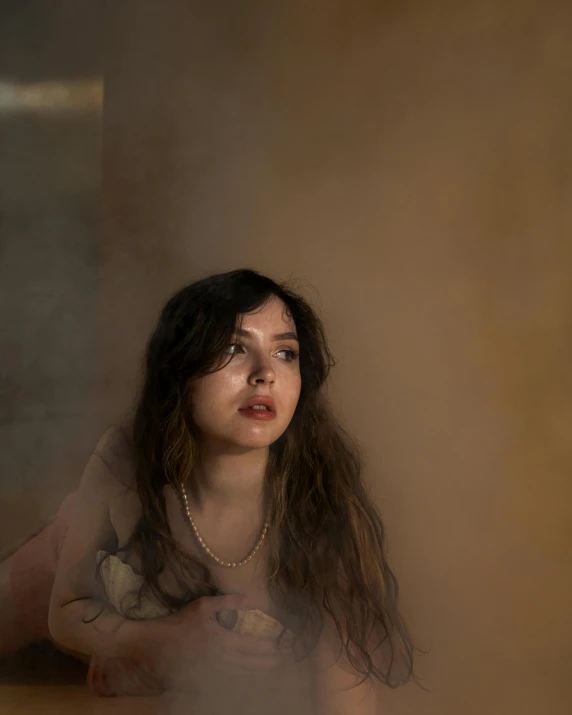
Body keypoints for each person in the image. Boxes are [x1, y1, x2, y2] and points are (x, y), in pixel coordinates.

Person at [1, 268, 417, 712]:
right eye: (234, 348)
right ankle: (130, 657)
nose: (265, 375)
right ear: (180, 368)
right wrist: (170, 637)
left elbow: (346, 688)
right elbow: (66, 610)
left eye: (285, 353)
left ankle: (134, 665)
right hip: (80, 575)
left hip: (180, 660)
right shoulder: (127, 458)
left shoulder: (321, 506)